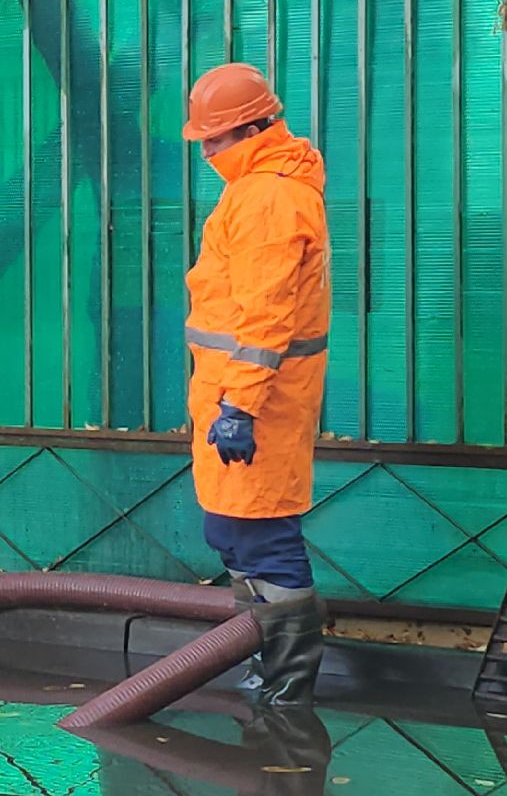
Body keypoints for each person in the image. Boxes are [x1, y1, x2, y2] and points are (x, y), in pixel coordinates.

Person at [180, 61, 331, 707]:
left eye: (214, 140)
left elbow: (265, 314)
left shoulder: (269, 195)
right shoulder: (253, 188)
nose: (207, 152)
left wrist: (239, 404)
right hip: (233, 396)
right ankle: (265, 665)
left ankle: (288, 682)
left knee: (264, 537)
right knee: (231, 533)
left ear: (254, 127)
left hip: (255, 402)